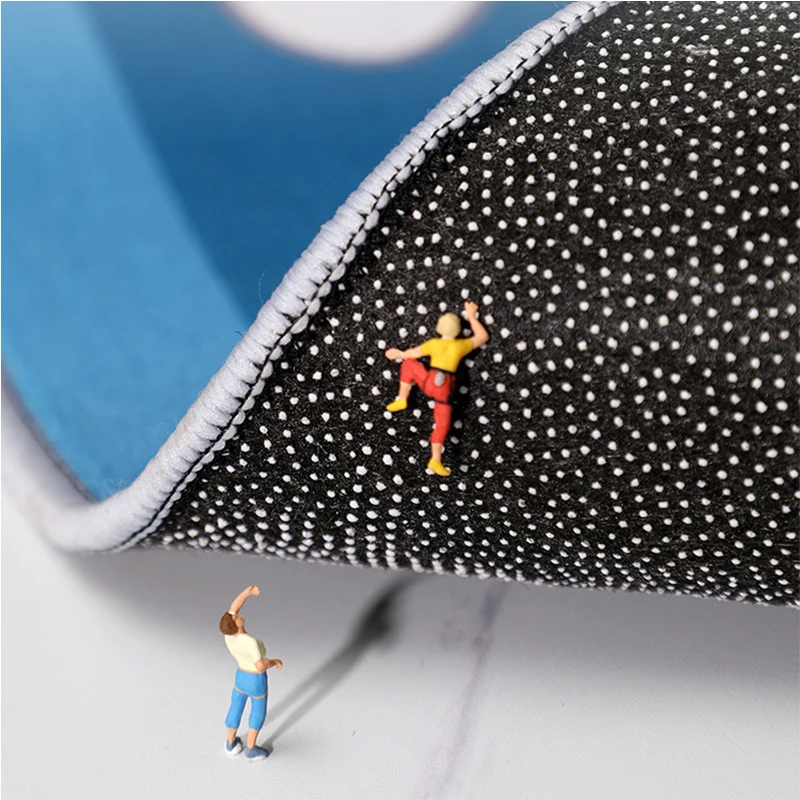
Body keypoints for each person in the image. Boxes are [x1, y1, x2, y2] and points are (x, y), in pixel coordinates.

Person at [384, 300, 489, 477]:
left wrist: (399, 354)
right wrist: (471, 316)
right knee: (442, 424)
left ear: (439, 328)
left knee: (409, 364)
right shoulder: (460, 346)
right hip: (445, 390)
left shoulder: (434, 344)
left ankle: (402, 398)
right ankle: (435, 459)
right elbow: (482, 337)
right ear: (458, 331)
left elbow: (412, 354)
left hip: (429, 381)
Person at [220, 585, 283, 761]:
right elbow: (260, 665)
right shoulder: (250, 642)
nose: (237, 615)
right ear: (235, 624)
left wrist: (247, 593)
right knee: (257, 711)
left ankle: (230, 743)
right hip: (255, 680)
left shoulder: (228, 636)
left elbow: (234, 607)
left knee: (235, 707)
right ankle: (251, 748)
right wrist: (275, 661)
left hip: (240, 676)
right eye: (236, 618)